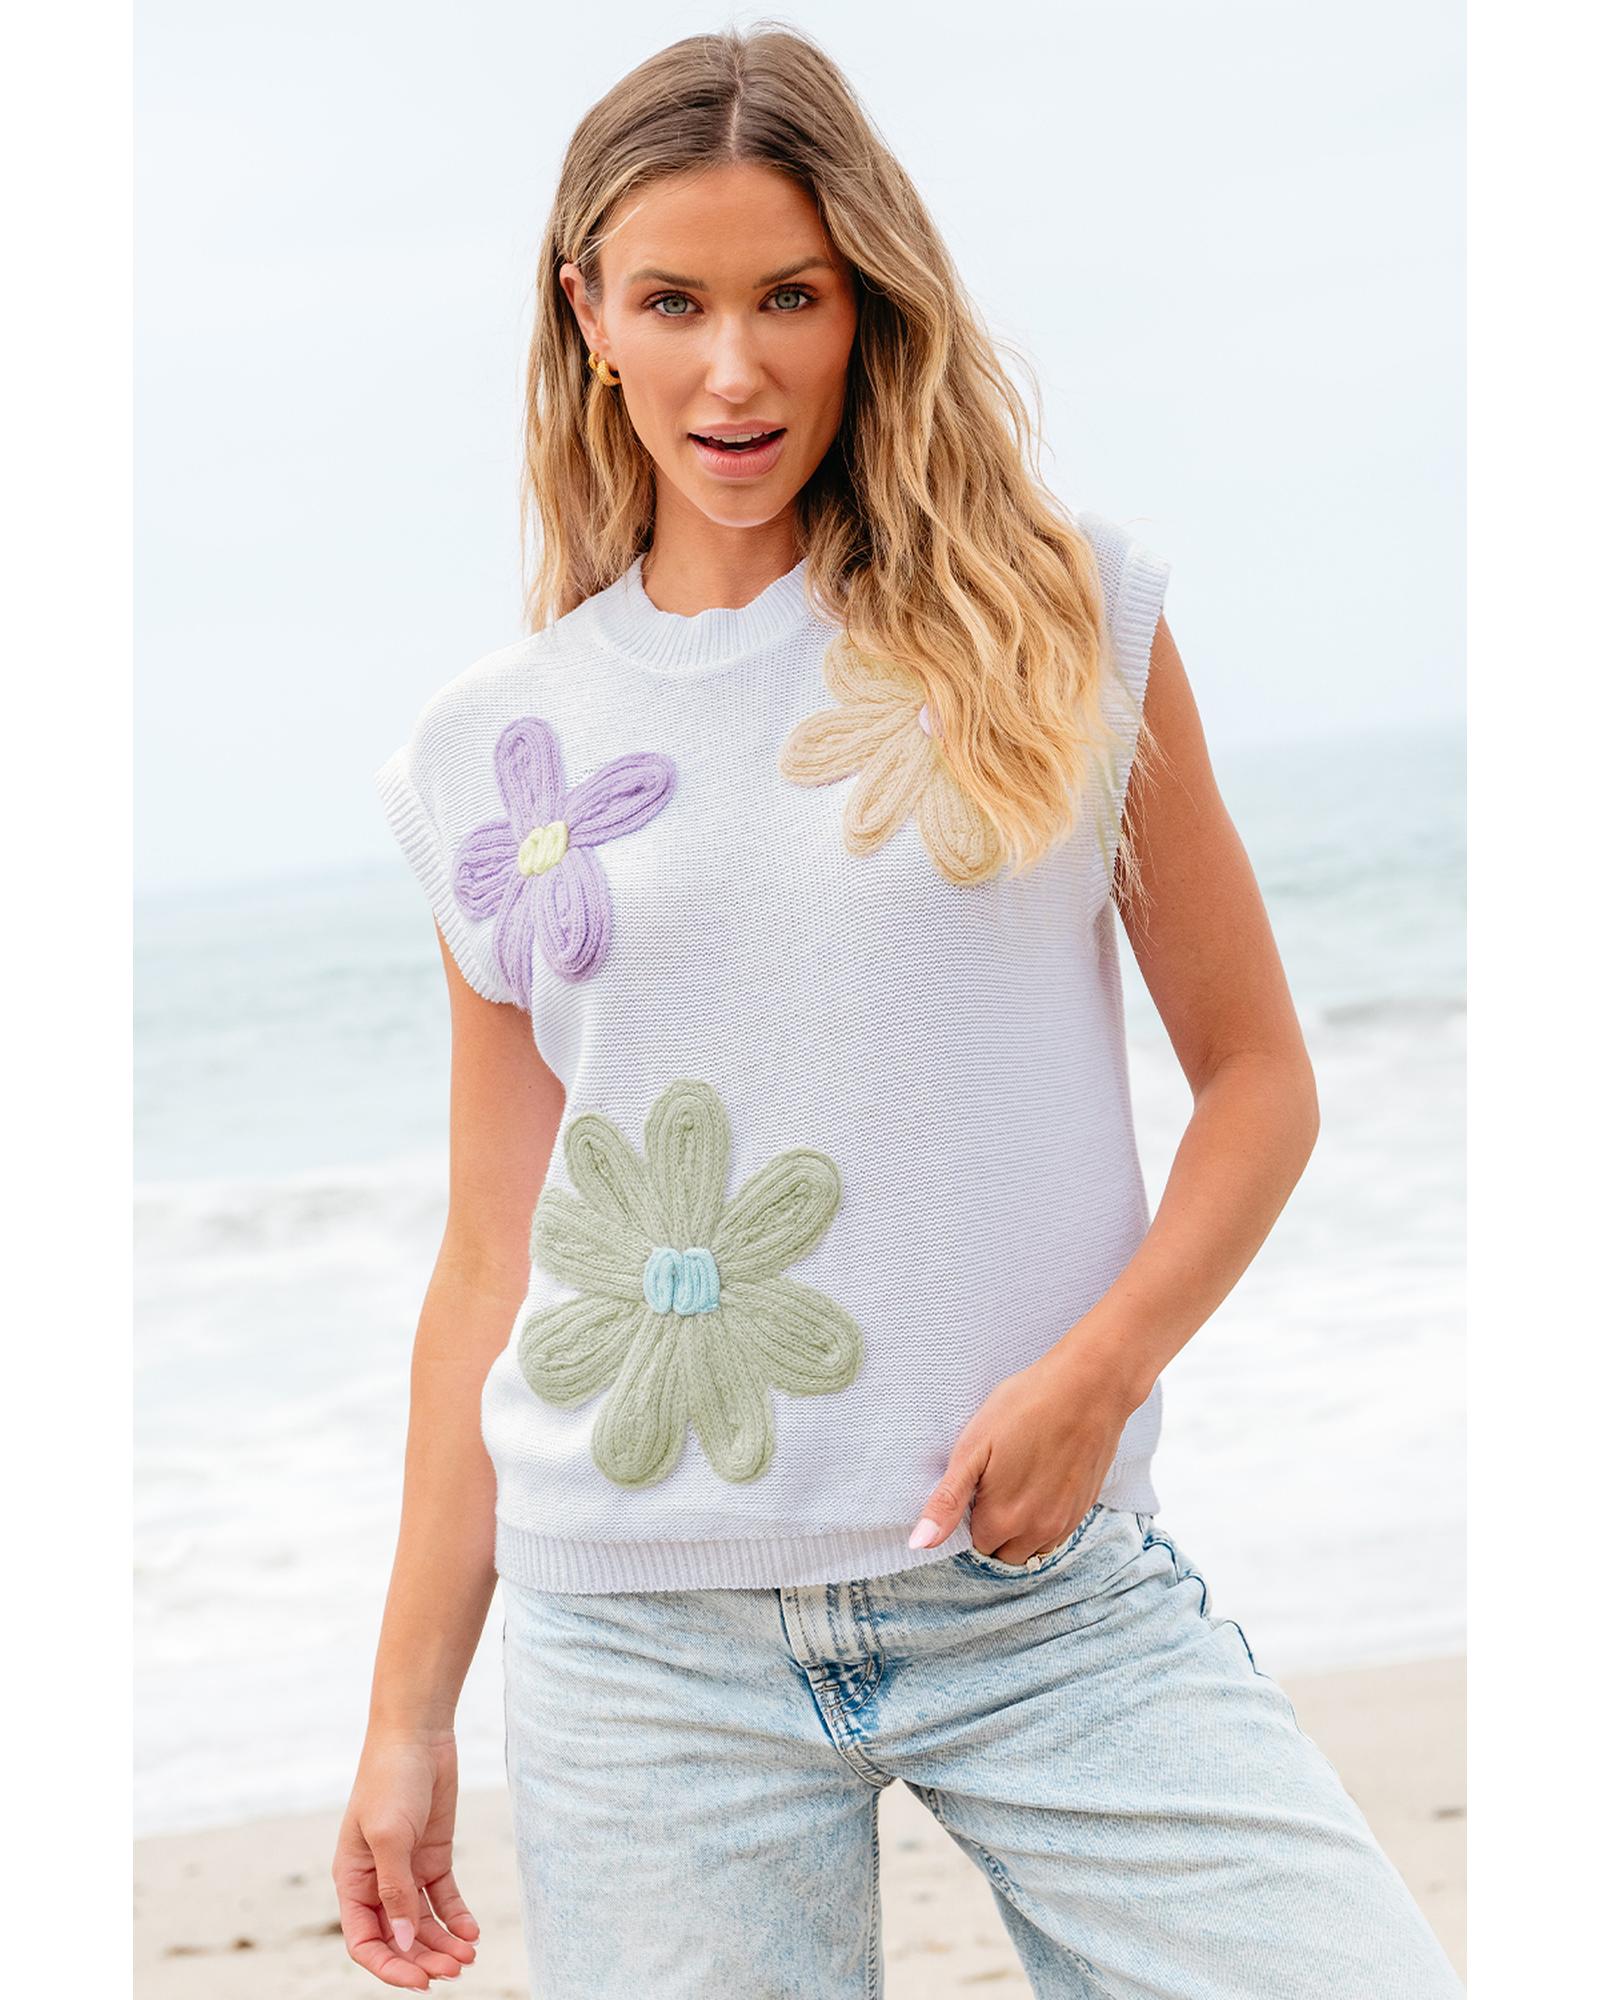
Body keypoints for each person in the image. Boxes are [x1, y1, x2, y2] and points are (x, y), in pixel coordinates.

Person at [331, 25, 1464, 2000]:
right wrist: (407, 1714)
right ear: (585, 312)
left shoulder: (1060, 618)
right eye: (673, 302)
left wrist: (1098, 1371)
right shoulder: (495, 755)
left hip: (1043, 1603)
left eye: (791, 296)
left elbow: (1258, 1081)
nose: (734, 368)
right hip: (640, 1655)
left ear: (869, 303)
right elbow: (492, 1259)